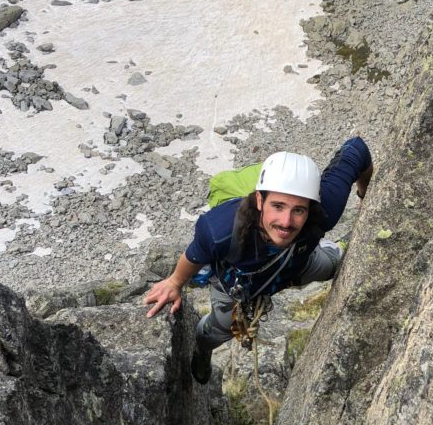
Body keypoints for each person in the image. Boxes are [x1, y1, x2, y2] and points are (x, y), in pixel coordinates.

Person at [144, 137, 373, 383]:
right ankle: (203, 350)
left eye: (298, 210)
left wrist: (366, 197)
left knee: (336, 265)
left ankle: (336, 248)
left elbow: (356, 149)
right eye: (278, 206)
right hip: (235, 285)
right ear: (259, 200)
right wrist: (175, 282)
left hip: (295, 264)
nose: (286, 222)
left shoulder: (324, 208)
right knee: (219, 330)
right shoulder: (221, 230)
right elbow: (194, 255)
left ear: (310, 206)